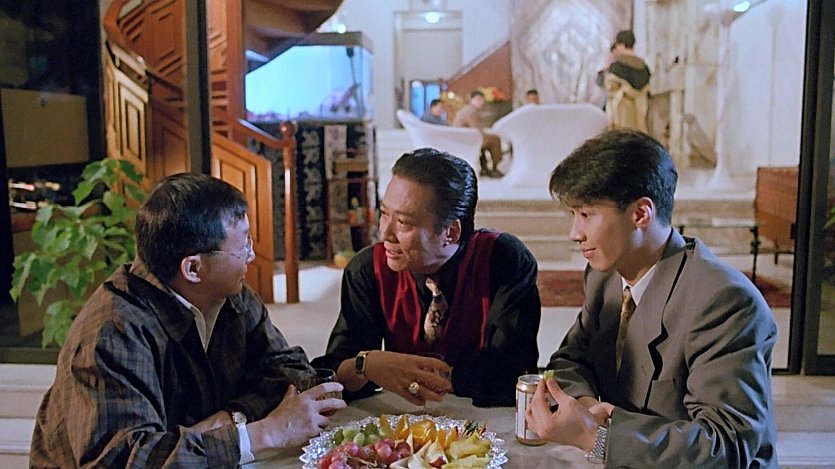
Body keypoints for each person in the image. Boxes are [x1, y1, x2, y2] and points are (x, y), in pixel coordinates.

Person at [29, 173, 346, 467]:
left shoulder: (231, 296)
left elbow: (289, 369)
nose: (251, 256)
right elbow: (125, 460)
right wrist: (265, 432)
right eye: (243, 246)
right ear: (193, 268)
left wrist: (231, 418)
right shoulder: (113, 332)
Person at [526, 130, 778, 467]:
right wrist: (586, 407)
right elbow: (571, 359)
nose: (575, 233)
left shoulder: (723, 301)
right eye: (573, 215)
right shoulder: (604, 276)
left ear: (641, 214)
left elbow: (724, 446)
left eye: (586, 215)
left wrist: (595, 437)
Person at [313, 148, 541, 407]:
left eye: (403, 222)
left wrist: (426, 375)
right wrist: (365, 364)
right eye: (384, 213)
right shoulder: (368, 269)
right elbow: (332, 378)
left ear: (451, 232)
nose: (384, 233)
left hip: (486, 417)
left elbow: (515, 376)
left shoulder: (503, 261)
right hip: (401, 419)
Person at [604, 30, 651, 132]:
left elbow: (609, 88)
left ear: (621, 45)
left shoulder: (617, 67)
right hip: (640, 118)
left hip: (621, 118)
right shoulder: (645, 68)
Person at [452, 90, 505, 178]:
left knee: (489, 138)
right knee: (495, 139)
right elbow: (477, 131)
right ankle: (495, 168)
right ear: (471, 100)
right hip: (467, 141)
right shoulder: (472, 112)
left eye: (482, 100)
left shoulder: (466, 109)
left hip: (463, 139)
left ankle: (484, 168)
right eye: (479, 99)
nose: (482, 102)